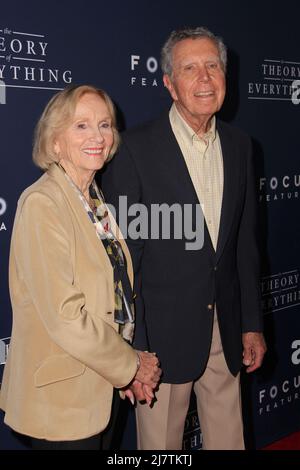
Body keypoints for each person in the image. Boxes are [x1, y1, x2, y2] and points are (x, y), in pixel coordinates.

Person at [101, 27, 267, 450]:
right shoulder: (134, 149)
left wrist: (251, 323)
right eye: (190, 68)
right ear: (169, 84)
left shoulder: (241, 146)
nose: (205, 78)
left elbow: (244, 244)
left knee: (230, 439)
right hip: (160, 337)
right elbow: (123, 260)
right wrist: (134, 349)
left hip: (225, 331)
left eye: (213, 66)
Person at [0, 84, 161, 450]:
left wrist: (121, 371)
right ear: (55, 140)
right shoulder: (43, 203)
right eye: (82, 126)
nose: (98, 136)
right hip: (63, 401)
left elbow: (114, 294)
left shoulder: (94, 201)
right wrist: (130, 365)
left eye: (105, 125)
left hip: (100, 388)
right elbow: (66, 316)